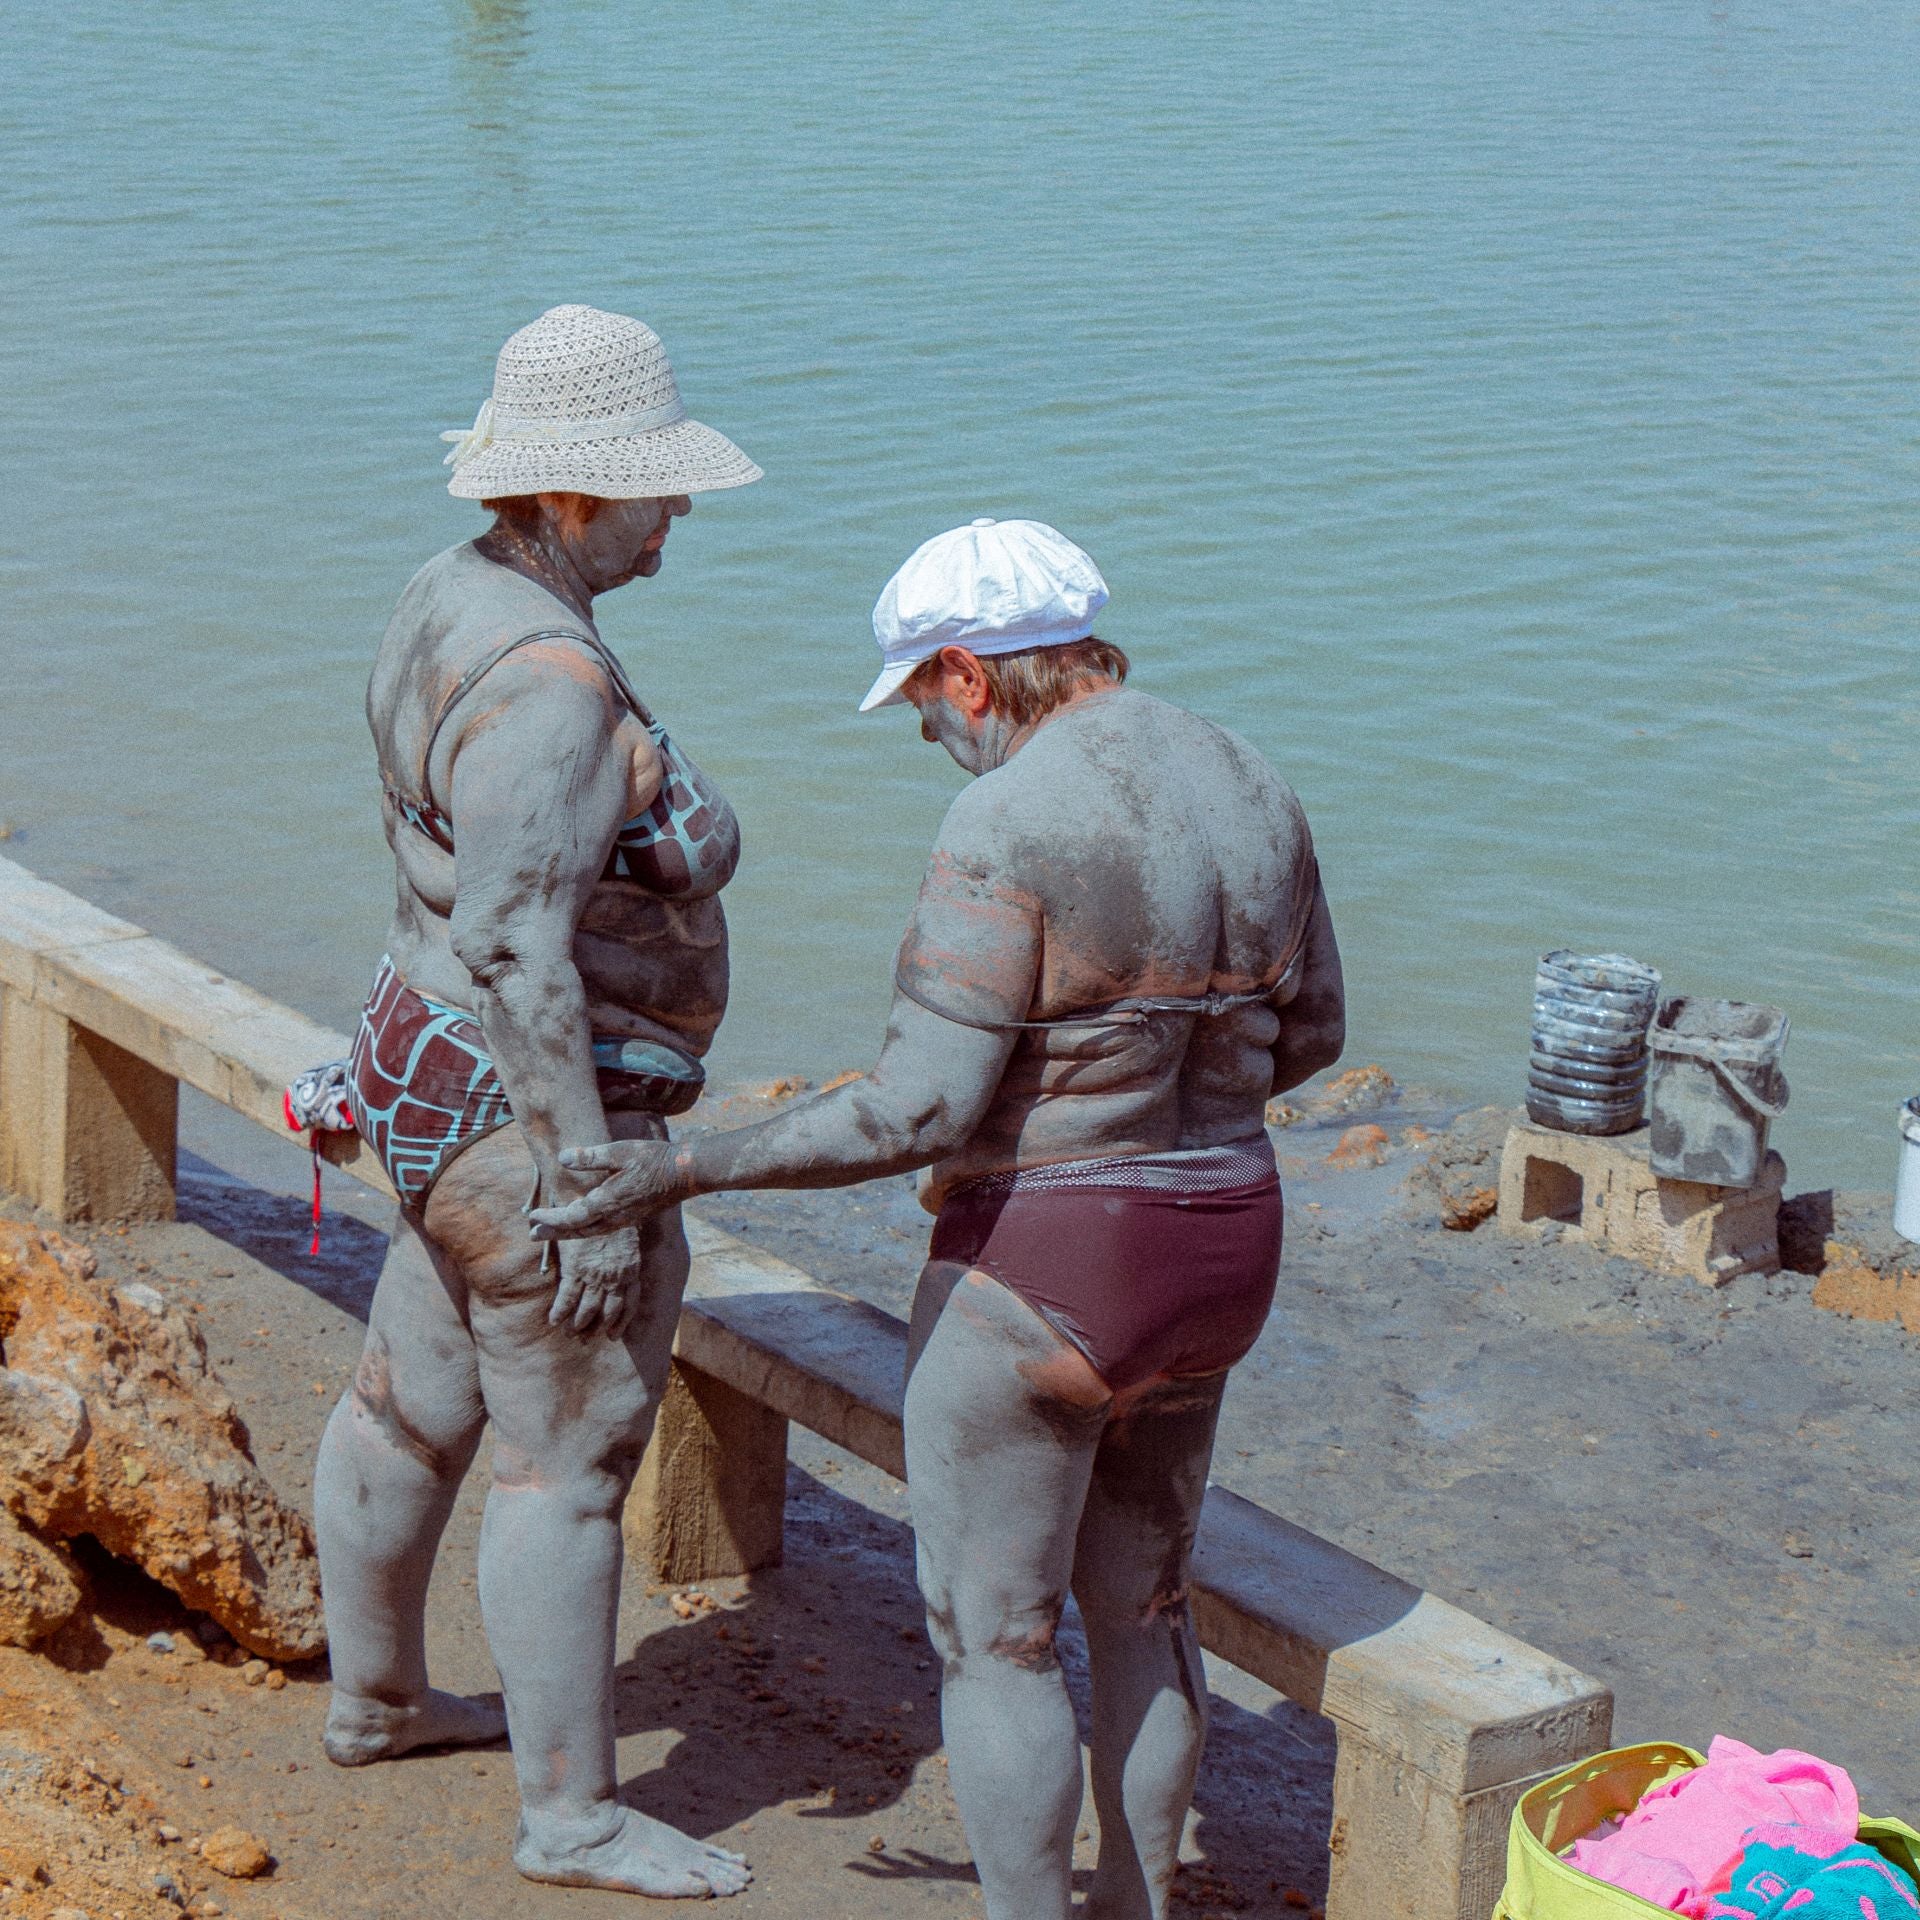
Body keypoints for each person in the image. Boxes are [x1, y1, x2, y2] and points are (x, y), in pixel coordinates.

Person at [531, 516, 1346, 1920]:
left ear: (972, 674)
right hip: (1225, 1250)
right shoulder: (1251, 778)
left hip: (1053, 1268)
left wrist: (679, 1169)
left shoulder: (1005, 820)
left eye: (921, 700)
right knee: (1148, 1611)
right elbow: (1317, 1033)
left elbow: (913, 1112)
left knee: (1001, 1642)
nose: (926, 734)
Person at [312, 304, 759, 1899]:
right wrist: (588, 1181)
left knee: (407, 1402)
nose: (679, 511)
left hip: (414, 1063)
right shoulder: (557, 688)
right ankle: (571, 1818)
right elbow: (516, 943)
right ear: (570, 501)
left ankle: (374, 1703)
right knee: (566, 1460)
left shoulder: (447, 594)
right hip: (524, 1108)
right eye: (654, 488)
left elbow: (452, 891)